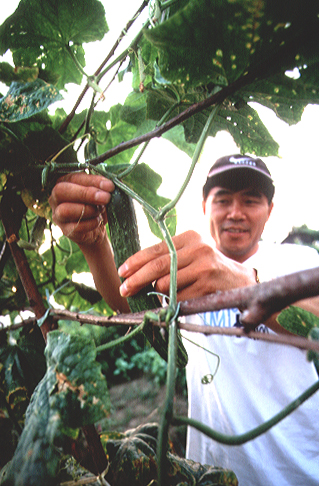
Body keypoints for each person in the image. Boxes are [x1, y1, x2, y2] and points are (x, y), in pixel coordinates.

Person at [49, 154, 319, 486]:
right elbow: (130, 302)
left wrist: (246, 284)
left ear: (270, 211)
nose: (236, 212)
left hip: (300, 472)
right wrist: (94, 246)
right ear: (205, 206)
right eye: (223, 200)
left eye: (250, 200)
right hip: (213, 474)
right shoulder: (185, 269)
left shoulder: (297, 258)